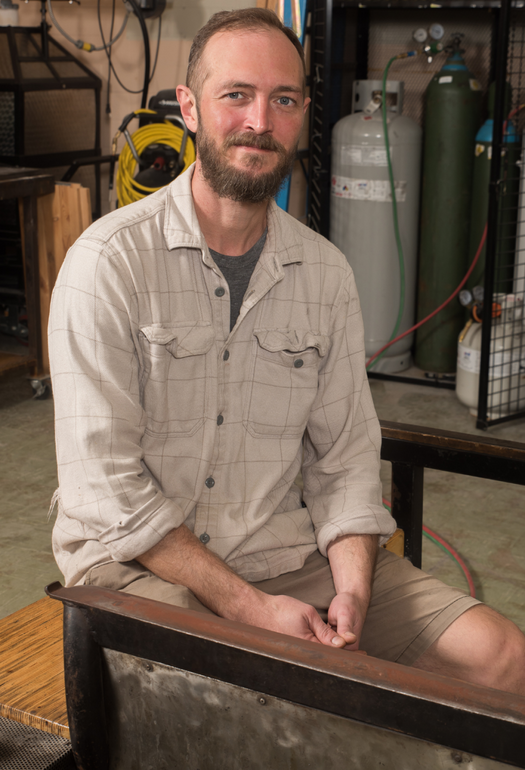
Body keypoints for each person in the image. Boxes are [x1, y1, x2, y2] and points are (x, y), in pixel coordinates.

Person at [49, 7, 525, 694]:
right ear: (189, 107)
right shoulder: (109, 263)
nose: (259, 122)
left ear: (303, 111)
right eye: (235, 95)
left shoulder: (325, 274)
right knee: (246, 702)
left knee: (501, 658)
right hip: (137, 568)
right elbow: (106, 490)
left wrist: (352, 593)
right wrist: (248, 608)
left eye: (283, 100)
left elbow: (345, 460)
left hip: (283, 553)